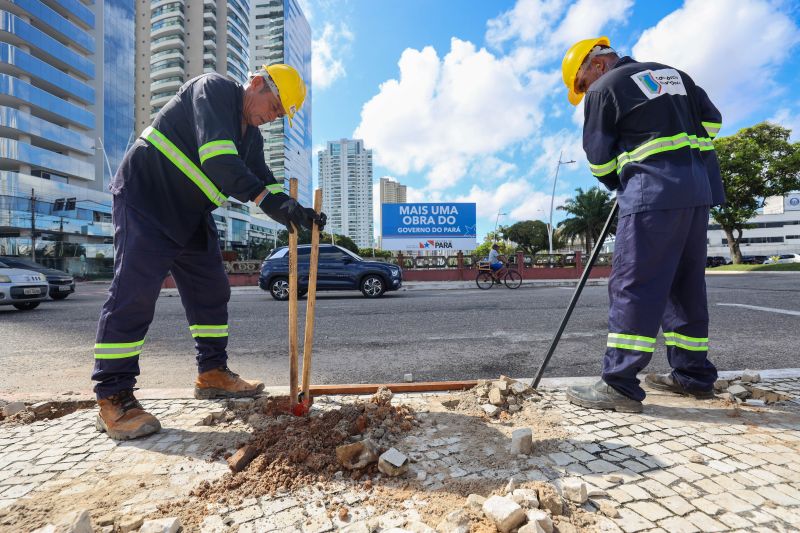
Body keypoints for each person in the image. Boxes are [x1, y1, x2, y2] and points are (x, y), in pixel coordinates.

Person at [92, 64, 326, 440]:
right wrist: (269, 202)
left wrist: (298, 213)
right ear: (256, 83)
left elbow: (265, 182)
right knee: (134, 294)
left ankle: (212, 373)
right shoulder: (214, 89)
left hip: (189, 212)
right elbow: (219, 162)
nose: (272, 117)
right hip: (148, 197)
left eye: (280, 115)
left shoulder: (253, 141)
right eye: (275, 106)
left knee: (212, 289)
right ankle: (113, 397)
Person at [560, 37, 724, 413]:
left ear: (596, 65)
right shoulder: (675, 75)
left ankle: (618, 384)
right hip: (698, 192)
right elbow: (713, 122)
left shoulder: (605, 89)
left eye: (581, 83)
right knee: (685, 286)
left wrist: (626, 175)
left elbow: (599, 160)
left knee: (634, 285)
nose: (584, 91)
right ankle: (694, 376)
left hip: (652, 194)